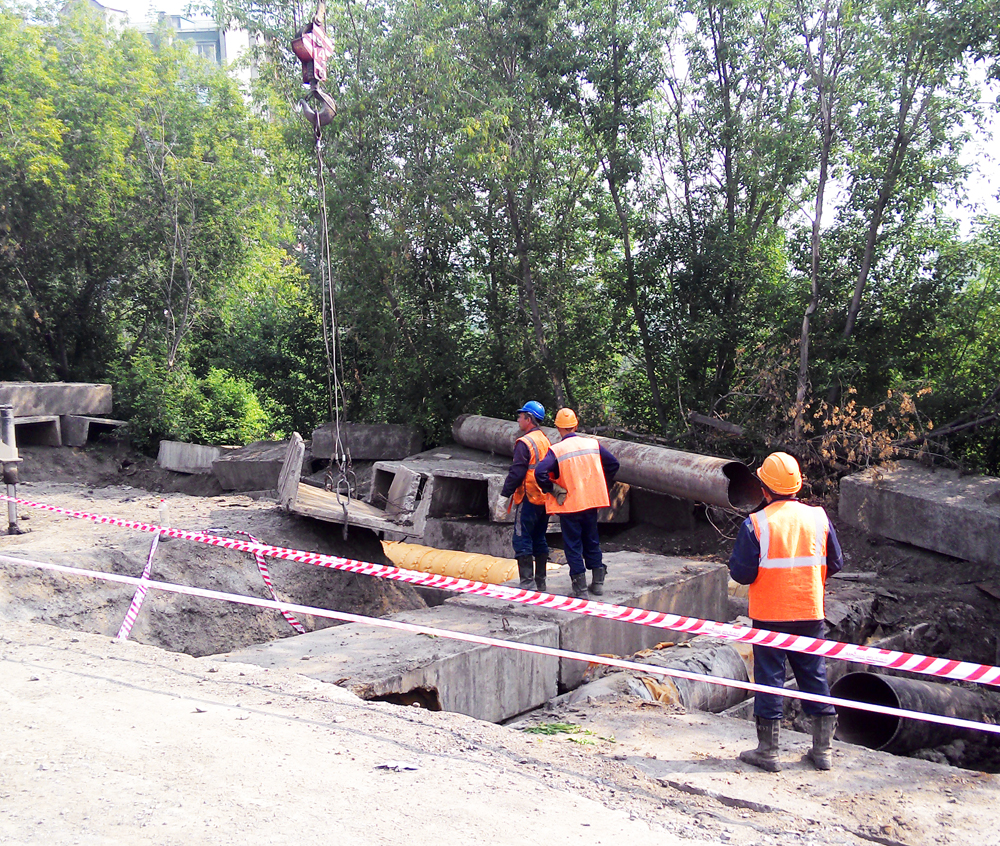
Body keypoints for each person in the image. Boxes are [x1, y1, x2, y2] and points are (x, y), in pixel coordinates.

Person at [728, 451, 844, 773]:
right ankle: (823, 752)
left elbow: (741, 574)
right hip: (809, 610)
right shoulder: (819, 518)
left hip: (769, 614)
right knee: (814, 674)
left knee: (769, 679)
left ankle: (769, 752)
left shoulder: (756, 524)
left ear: (764, 488)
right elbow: (835, 563)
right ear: (798, 485)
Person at [534, 408, 619, 599]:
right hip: (590, 501)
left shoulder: (557, 450)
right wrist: (601, 482)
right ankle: (597, 583)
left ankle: (580, 589)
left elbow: (539, 472)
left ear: (557, 427)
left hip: (570, 505)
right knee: (591, 540)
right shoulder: (592, 444)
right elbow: (613, 464)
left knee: (573, 545)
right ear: (576, 424)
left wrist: (553, 488)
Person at [499, 401, 552, 592]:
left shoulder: (525, 443)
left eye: (521, 416)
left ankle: (527, 583)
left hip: (528, 496)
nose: (518, 419)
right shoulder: (544, 440)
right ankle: (541, 582)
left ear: (529, 419)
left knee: (522, 539)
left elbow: (517, 472)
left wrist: (505, 494)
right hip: (543, 497)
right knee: (539, 537)